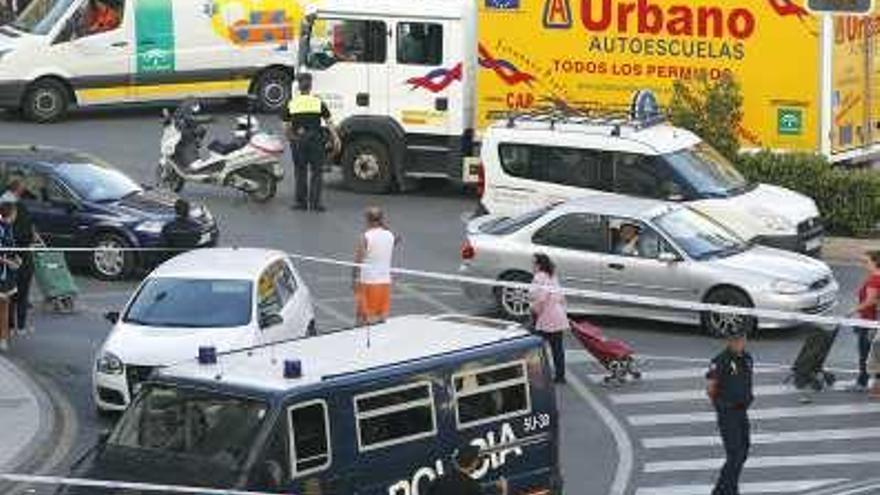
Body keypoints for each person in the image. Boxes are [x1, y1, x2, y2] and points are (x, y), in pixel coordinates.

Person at [283, 73, 339, 212]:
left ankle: (300, 203)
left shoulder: (292, 103)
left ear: (299, 87)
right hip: (316, 141)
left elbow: (286, 126)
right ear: (310, 87)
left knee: (300, 172)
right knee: (316, 172)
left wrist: (290, 137)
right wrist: (336, 138)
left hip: (298, 141)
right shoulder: (318, 102)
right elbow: (329, 122)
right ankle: (315, 204)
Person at [706, 331, 754, 495]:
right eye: (734, 340)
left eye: (741, 339)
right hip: (728, 412)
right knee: (735, 454)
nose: (738, 343)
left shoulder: (747, 358)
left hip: (742, 411)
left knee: (744, 450)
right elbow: (711, 387)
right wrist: (721, 406)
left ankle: (724, 488)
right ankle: (726, 490)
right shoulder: (720, 360)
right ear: (729, 341)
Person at [353, 207, 398, 326]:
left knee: (363, 318)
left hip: (368, 282)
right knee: (381, 317)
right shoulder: (390, 235)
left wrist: (354, 279)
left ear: (367, 220)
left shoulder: (365, 237)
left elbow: (358, 261)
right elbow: (389, 247)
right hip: (385, 282)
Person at [530, 253, 568, 384]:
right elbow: (562, 297)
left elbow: (540, 298)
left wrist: (535, 310)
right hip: (558, 316)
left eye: (534, 263)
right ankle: (560, 376)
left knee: (535, 346)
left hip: (546, 317)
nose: (532, 266)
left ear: (539, 265)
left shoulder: (538, 277)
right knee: (557, 348)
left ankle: (537, 374)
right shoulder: (553, 276)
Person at [4, 183, 35, 335]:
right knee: (22, 295)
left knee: (9, 296)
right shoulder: (21, 209)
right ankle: (20, 327)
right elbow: (28, 235)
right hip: (22, 259)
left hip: (10, 262)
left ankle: (9, 327)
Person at [852, 250, 880, 396]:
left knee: (865, 353)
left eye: (866, 261)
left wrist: (851, 311)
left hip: (869, 322)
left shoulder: (874, 279)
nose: (863, 265)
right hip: (874, 321)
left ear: (875, 262)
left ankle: (862, 382)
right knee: (875, 354)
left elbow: (869, 301)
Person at [426, 445, 507, 495]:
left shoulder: (438, 481)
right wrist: (504, 490)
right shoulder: (472, 487)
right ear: (474, 464)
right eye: (478, 460)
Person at [0, 201, 21, 352]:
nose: (16, 215)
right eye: (15, 213)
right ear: (11, 213)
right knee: (3, 307)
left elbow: (11, 249)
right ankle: (3, 339)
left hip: (8, 275)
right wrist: (8, 261)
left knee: (6, 307)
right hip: (3, 275)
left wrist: (17, 259)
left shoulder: (9, 227)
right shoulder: (1, 228)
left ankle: (4, 337)